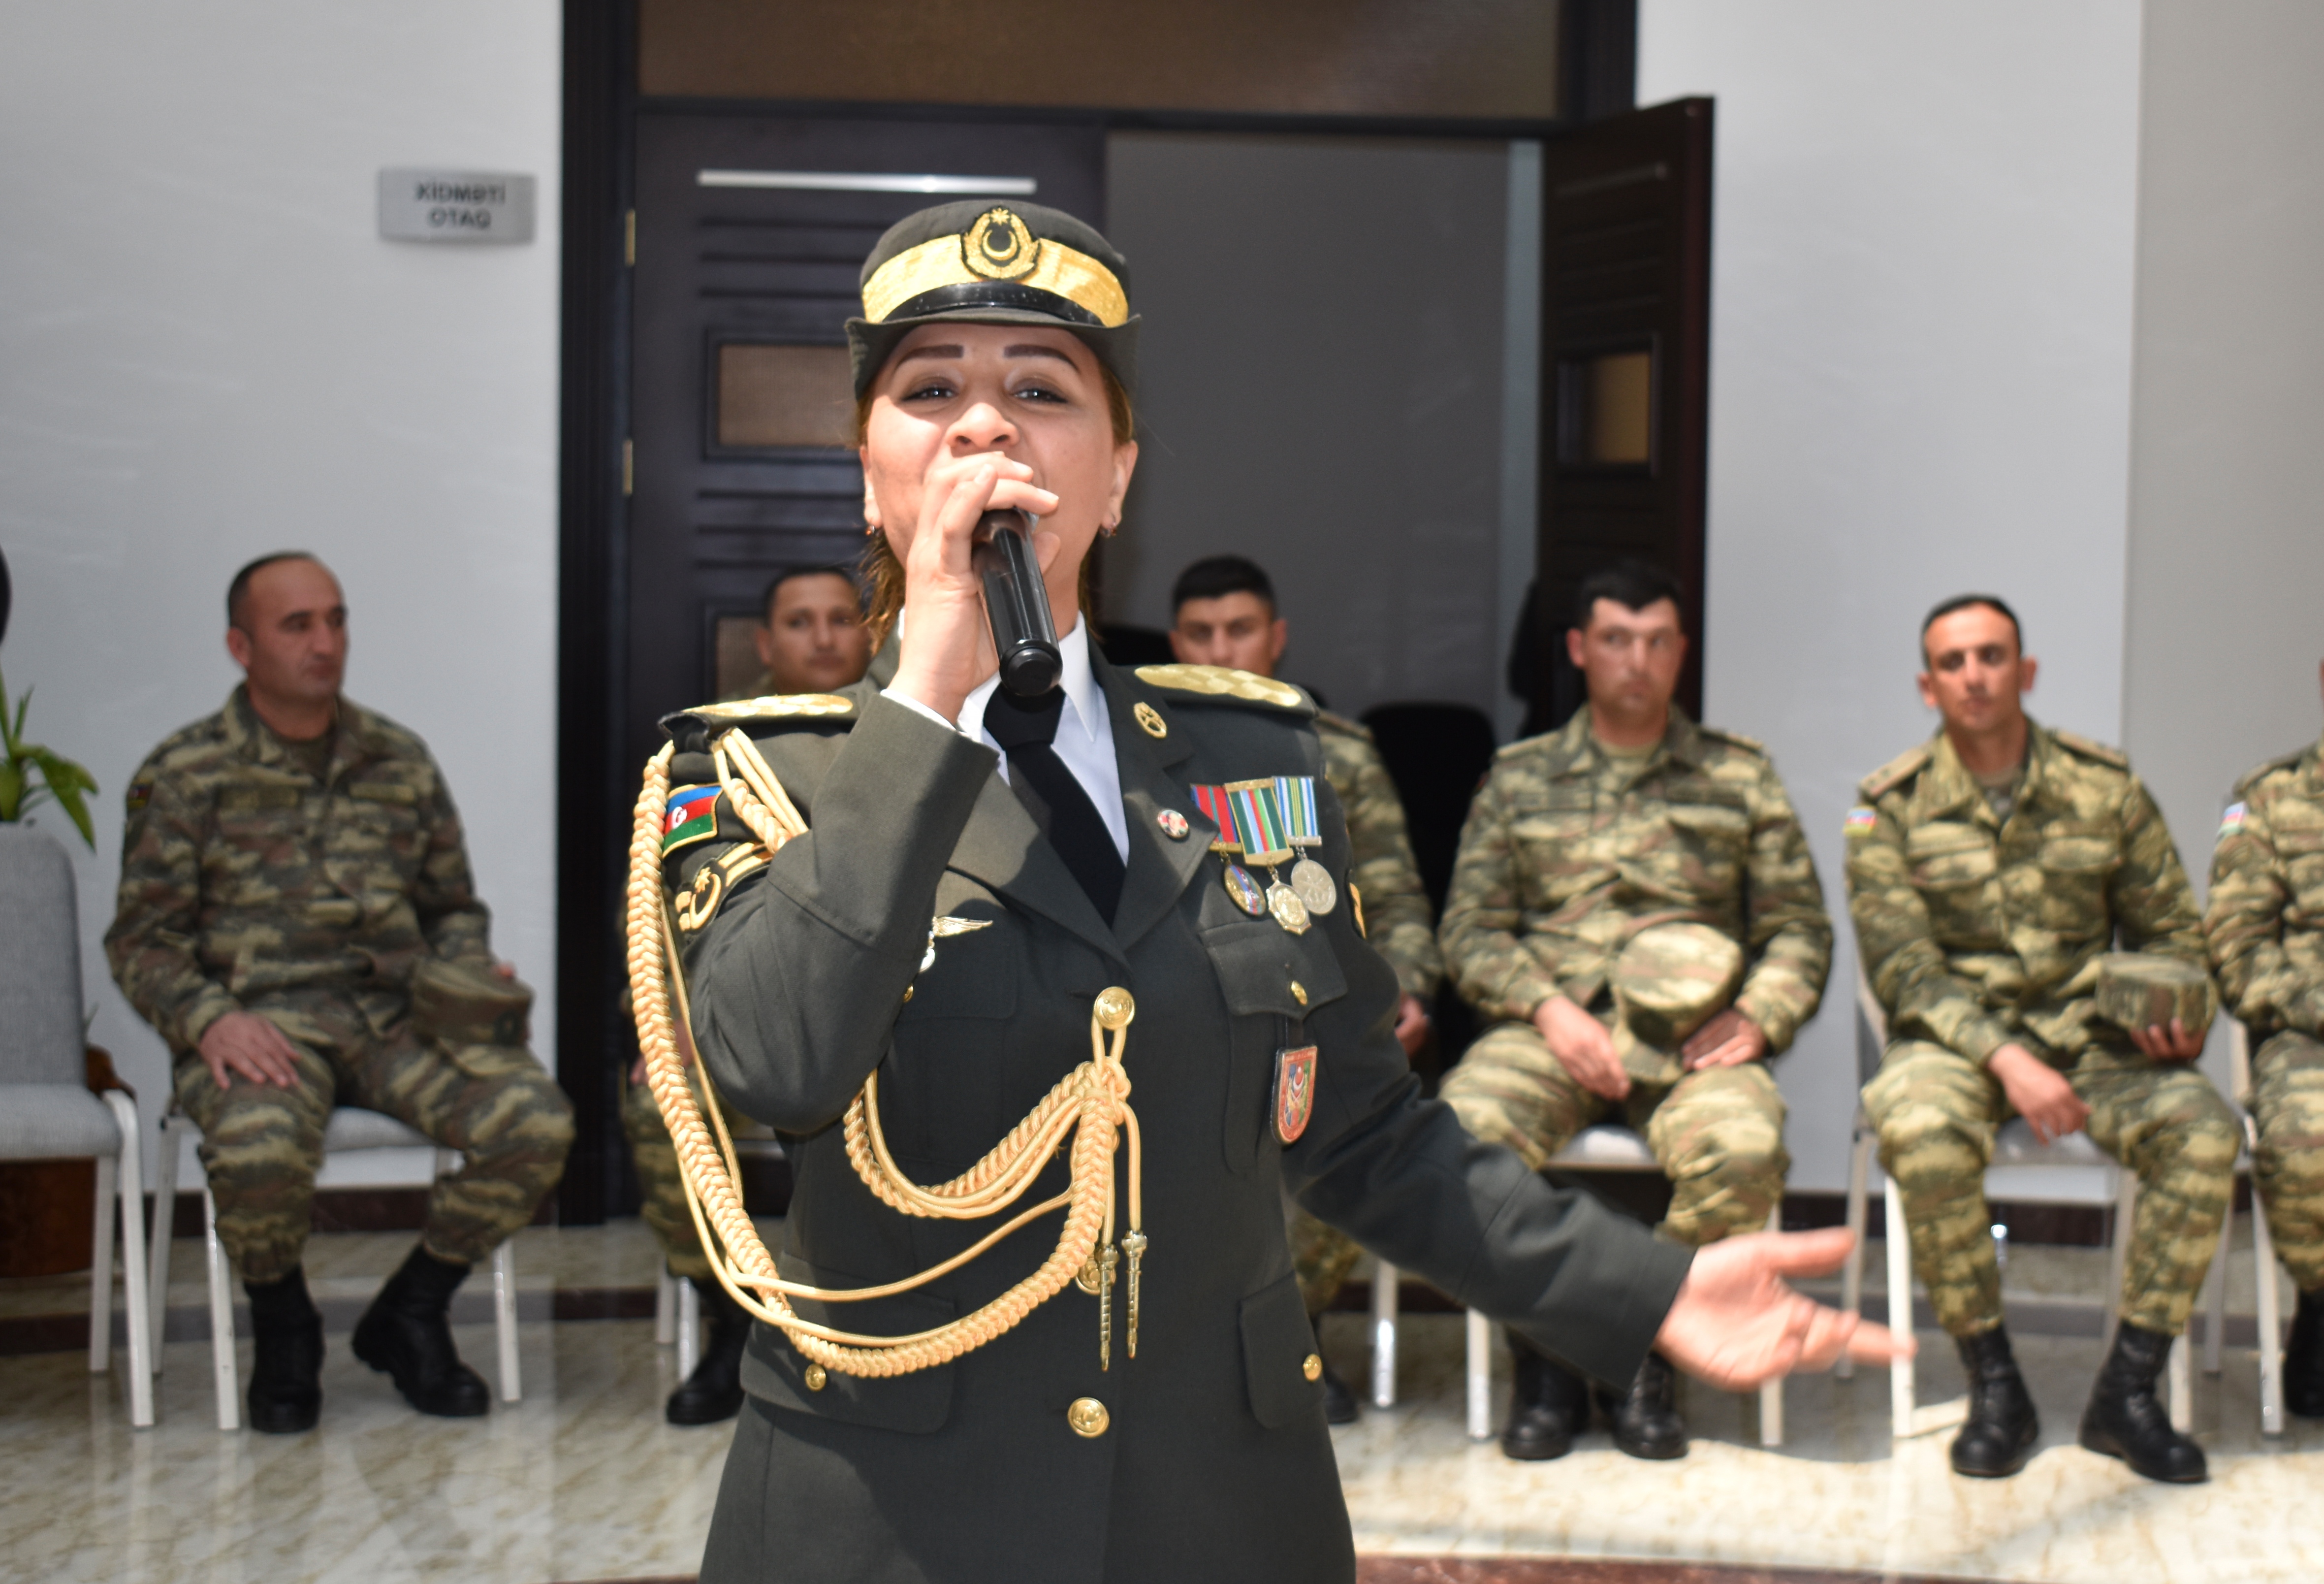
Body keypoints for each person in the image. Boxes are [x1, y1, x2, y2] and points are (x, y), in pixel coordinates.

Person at [656, 200, 1901, 1584]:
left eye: (1043, 390)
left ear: (1118, 478)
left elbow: (1364, 1131)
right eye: (932, 389)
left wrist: (1644, 1286)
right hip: (890, 1515)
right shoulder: (754, 775)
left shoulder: (1254, 758)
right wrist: (927, 697)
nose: (987, 424)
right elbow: (776, 1063)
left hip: (1218, 1507)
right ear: (868, 472)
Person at [105, 553, 573, 1433]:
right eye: (298, 625)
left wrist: (468, 973)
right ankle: (285, 1324)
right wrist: (211, 1020)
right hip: (264, 1025)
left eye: (336, 619)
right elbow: (142, 940)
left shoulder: (397, 758)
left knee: (536, 1122)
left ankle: (412, 1311)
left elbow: (450, 908)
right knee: (258, 1152)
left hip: (396, 1021)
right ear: (241, 646)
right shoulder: (186, 772)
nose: (325, 642)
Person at [1437, 560, 1832, 1463]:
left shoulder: (1738, 775)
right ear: (1580, 649)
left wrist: (1757, 1017)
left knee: (1745, 1151)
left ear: (1680, 652)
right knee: (1464, 1137)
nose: (1637, 661)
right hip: (1552, 1033)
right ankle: (1547, 1353)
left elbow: (1798, 929)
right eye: (1616, 640)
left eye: (1656, 643)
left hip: (1695, 1043)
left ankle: (1645, 1350)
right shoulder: (1520, 777)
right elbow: (1470, 929)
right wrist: (1547, 1009)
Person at [1849, 593, 2234, 1484]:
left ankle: (2127, 1392)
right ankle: (1996, 1387)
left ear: (2025, 671)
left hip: (2094, 1039)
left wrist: (2174, 1017)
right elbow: (1904, 969)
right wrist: (2008, 1060)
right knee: (1919, 1127)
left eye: (1991, 656)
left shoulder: (2105, 788)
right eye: (1952, 662)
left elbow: (2173, 934)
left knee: (2203, 1130)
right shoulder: (1887, 807)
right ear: (1927, 686)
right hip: (1954, 1046)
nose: (1974, 676)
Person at [1167, 551, 1442, 1422]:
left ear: (1277, 637)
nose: (1221, 650)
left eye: (1239, 629)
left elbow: (1397, 898)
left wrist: (1406, 990)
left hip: (1311, 1016)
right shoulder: (1133, 754)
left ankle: (1288, 1339)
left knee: (1333, 1137)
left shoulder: (1336, 756)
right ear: (1174, 641)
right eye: (1201, 633)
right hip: (1174, 1021)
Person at [628, 565, 880, 1426]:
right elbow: (661, 913)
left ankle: (883, 1303)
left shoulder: (909, 733)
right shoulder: (714, 751)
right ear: (766, 642)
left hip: (889, 1012)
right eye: (801, 622)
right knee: (664, 1105)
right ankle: (733, 1315)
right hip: (744, 1006)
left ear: (869, 632)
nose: (824, 636)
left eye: (840, 617)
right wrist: (680, 1022)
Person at [2204, 656, 2324, 1416]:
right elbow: (2237, 952)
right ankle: (2321, 1306)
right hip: (2306, 1033)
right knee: (2308, 1133)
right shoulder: (2271, 798)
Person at [726, 565, 874, 702]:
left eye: (841, 621)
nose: (825, 641)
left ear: (868, 636)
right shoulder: (725, 719)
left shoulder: (888, 712)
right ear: (766, 645)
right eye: (799, 623)